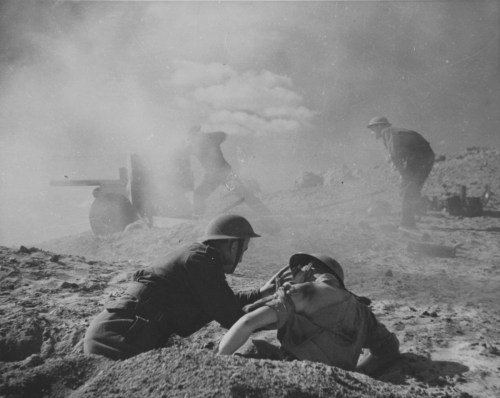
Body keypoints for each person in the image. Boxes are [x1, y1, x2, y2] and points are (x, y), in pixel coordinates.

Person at [84, 214, 275, 360]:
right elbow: (232, 317)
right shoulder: (201, 261)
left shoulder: (198, 257)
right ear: (234, 246)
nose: (241, 258)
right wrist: (280, 316)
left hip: (117, 334)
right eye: (243, 250)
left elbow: (220, 301)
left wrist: (260, 293)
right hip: (117, 340)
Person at [218, 253, 400, 377]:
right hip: (339, 385)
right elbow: (389, 346)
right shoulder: (362, 312)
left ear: (309, 268)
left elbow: (247, 322)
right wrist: (356, 375)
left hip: (295, 378)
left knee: (252, 348)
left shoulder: (302, 293)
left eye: (296, 270)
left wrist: (215, 363)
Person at [366, 116, 435, 229]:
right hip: (427, 157)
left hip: (418, 158)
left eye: (373, 129)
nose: (372, 132)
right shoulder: (397, 131)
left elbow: (395, 154)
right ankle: (414, 215)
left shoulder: (387, 132)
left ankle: (407, 223)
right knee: (413, 188)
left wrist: (403, 173)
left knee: (407, 189)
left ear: (379, 126)